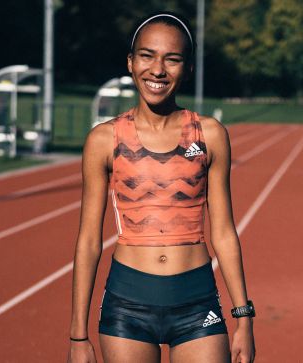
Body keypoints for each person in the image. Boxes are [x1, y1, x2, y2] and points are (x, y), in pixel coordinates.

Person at [67, 12, 256, 363]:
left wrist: (243, 317)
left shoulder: (210, 134)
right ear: (130, 62)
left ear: (188, 68)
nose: (157, 69)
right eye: (147, 55)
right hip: (128, 305)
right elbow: (89, 240)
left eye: (172, 59)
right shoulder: (103, 140)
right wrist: (78, 336)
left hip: (196, 301)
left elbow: (225, 232)